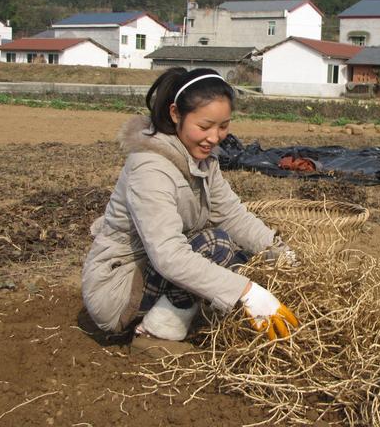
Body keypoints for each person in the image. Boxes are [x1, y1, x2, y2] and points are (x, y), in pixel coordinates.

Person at [81, 68, 298, 344]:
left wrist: (283, 256)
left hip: (150, 270)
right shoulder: (150, 167)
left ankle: (175, 312)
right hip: (117, 289)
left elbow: (233, 216)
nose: (215, 137)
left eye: (223, 126)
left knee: (241, 256)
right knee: (216, 245)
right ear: (175, 114)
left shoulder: (204, 162)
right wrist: (246, 291)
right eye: (205, 127)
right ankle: (158, 331)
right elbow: (168, 255)